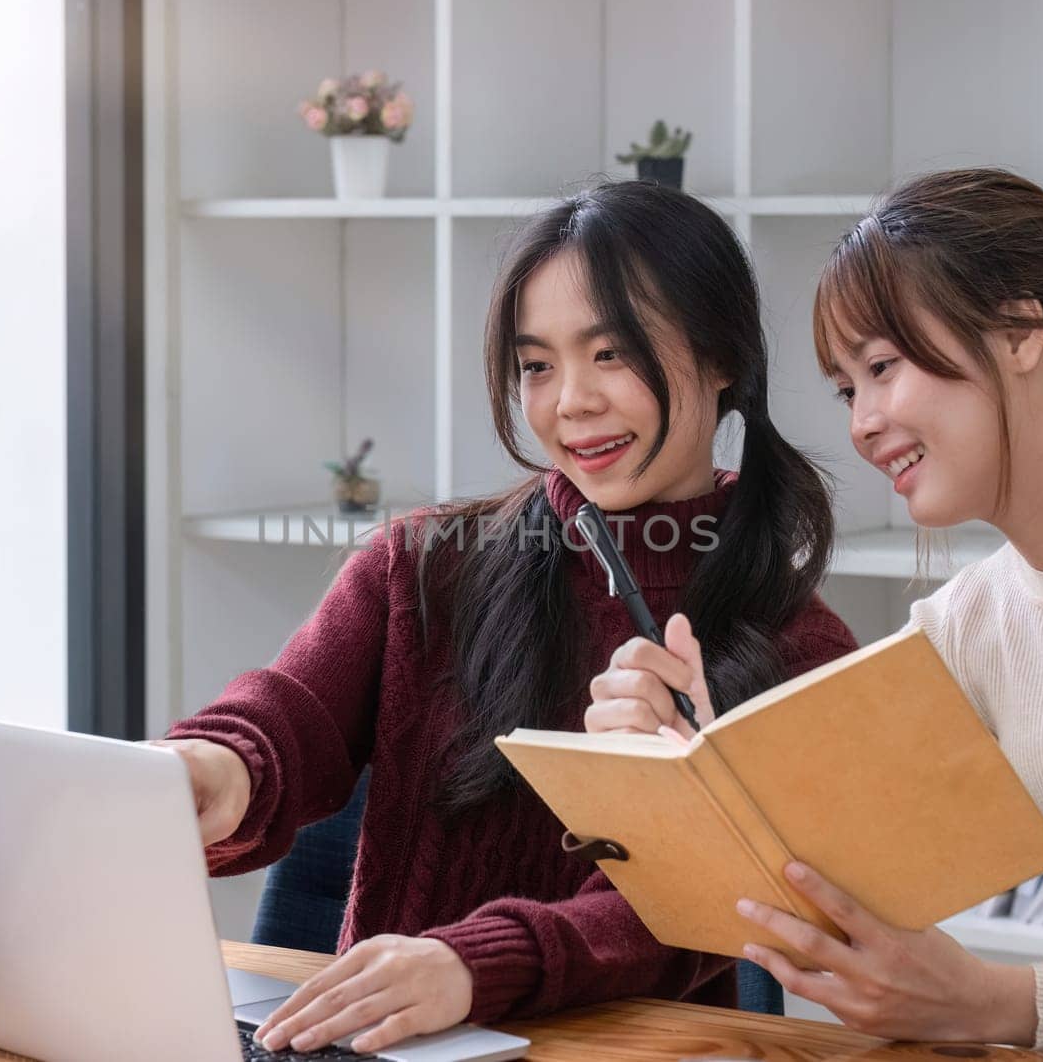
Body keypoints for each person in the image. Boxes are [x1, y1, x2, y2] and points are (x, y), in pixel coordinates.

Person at [584, 168, 1043, 1061]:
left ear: (1022, 332)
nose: (864, 423)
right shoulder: (967, 621)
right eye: (847, 390)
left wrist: (996, 1002)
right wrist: (679, 750)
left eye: (882, 368)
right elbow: (794, 864)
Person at [155, 180, 858, 1056]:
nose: (570, 401)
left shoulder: (804, 648)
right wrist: (218, 763)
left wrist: (473, 965)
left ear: (722, 359)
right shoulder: (420, 566)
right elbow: (290, 712)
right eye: (537, 365)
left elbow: (702, 913)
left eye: (613, 354)